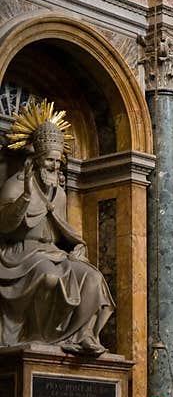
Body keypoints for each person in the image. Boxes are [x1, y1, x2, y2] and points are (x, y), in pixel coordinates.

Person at [0, 105, 114, 354]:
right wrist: (28, 195)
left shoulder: (60, 193)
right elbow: (5, 226)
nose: (54, 166)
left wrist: (77, 247)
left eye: (57, 160)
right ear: (36, 161)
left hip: (52, 253)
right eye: (49, 160)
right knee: (49, 276)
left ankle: (81, 336)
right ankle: (39, 337)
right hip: (20, 256)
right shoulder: (15, 186)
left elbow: (63, 231)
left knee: (93, 278)